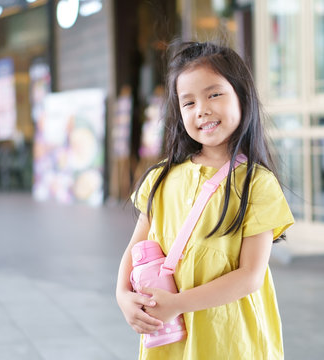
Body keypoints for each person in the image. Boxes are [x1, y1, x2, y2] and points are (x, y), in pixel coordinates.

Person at [115, 40, 295, 359]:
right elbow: (134, 249)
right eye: (188, 102)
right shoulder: (160, 179)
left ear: (242, 96)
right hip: (170, 340)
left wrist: (177, 304)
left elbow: (250, 277)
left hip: (230, 341)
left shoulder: (256, 183)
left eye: (214, 94)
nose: (202, 109)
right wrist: (122, 296)